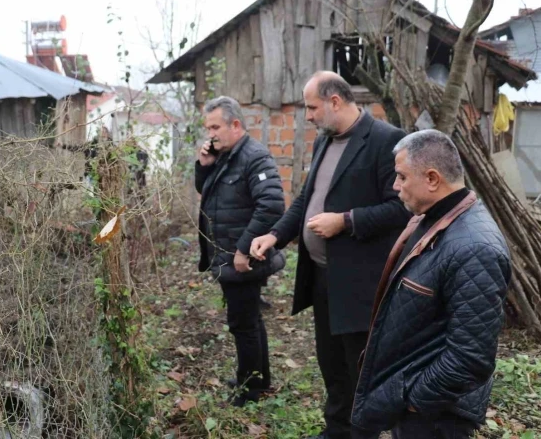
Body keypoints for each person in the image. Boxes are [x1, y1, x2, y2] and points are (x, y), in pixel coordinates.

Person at [250, 71, 412, 438]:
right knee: (332, 365)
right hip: (323, 276)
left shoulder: (387, 140)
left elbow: (402, 207)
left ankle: (363, 434)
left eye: (312, 107)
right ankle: (336, 430)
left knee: (360, 370)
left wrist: (347, 221)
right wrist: (275, 234)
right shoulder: (324, 141)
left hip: (361, 283)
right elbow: (307, 200)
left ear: (335, 101)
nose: (307, 115)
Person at [350, 130, 511, 439]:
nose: (395, 186)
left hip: (436, 418)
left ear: (433, 179)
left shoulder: (475, 248)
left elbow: (469, 359)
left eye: (401, 177)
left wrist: (411, 401)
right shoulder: (434, 218)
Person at [195, 95, 285, 407]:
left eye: (215, 126)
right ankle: (258, 378)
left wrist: (243, 249)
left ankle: (249, 389)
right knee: (250, 319)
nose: (211, 134)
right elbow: (207, 194)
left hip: (244, 258)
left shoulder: (254, 157)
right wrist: (204, 167)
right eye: (208, 128)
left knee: (242, 324)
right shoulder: (226, 155)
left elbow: (272, 206)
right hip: (229, 255)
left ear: (236, 125)